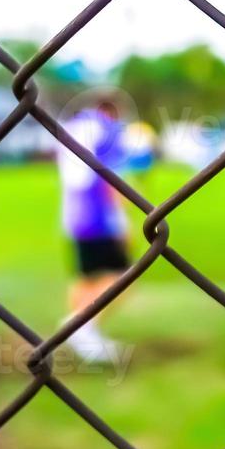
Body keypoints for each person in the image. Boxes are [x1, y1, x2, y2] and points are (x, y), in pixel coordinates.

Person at [56, 95, 151, 363]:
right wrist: (122, 221)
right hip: (99, 216)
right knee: (123, 278)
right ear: (113, 112)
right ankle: (82, 328)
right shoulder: (107, 131)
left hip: (74, 215)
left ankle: (78, 328)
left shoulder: (75, 127)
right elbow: (111, 179)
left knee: (87, 276)